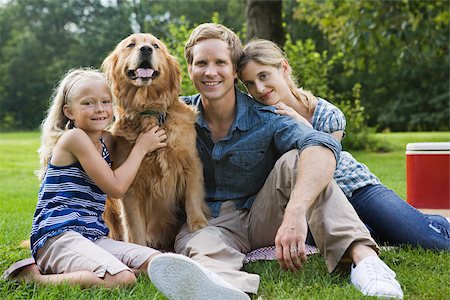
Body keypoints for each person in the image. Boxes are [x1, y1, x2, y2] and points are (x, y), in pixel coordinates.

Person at [160, 23, 404, 299]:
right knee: (201, 247)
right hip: (209, 223)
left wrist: (295, 214)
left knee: (297, 159)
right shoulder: (175, 115)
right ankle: (228, 290)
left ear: (235, 71)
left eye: (220, 62)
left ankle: (367, 263)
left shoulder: (267, 116)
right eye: (202, 63)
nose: (211, 72)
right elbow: (128, 123)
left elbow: (321, 146)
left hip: (264, 214)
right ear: (190, 68)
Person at [2, 68, 250, 299]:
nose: (99, 109)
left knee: (158, 261)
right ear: (69, 111)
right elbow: (117, 188)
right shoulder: (74, 139)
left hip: (94, 236)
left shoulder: (107, 141)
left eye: (105, 102)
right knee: (122, 278)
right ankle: (32, 276)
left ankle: (212, 286)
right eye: (88, 103)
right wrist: (142, 146)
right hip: (59, 236)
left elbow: (133, 136)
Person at [237, 39, 450, 251]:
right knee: (376, 236)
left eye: (263, 76)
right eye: (250, 83)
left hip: (357, 188)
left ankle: (434, 223)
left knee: (433, 243)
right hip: (318, 205)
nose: (260, 88)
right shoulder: (258, 120)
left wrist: (302, 125)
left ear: (283, 68)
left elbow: (324, 160)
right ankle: (404, 224)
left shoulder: (326, 114)